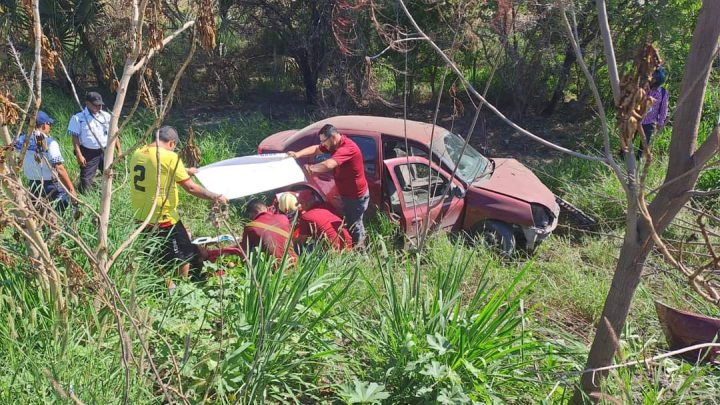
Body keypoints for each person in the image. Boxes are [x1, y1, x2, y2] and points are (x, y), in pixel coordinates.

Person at [129, 125, 228, 280]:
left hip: (141, 215)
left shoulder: (138, 153)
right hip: (163, 217)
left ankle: (164, 284)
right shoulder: (169, 157)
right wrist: (216, 197)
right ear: (172, 143)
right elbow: (191, 188)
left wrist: (184, 170)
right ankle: (181, 286)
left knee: (155, 254)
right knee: (184, 252)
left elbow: (155, 171)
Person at [287, 124, 369, 246]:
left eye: (324, 141)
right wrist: (297, 154)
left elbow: (329, 164)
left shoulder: (348, 148)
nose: (322, 144)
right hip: (346, 193)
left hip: (355, 196)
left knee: (355, 224)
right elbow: (316, 149)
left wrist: (311, 168)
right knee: (349, 219)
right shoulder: (333, 145)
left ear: (333, 137)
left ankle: (360, 250)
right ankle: (348, 240)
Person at [15, 111, 78, 212]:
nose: (50, 127)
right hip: (51, 184)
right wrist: (71, 189)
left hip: (33, 184)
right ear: (44, 125)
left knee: (39, 211)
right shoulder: (50, 143)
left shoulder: (21, 141)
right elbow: (59, 169)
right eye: (49, 124)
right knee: (63, 209)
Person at [68, 91, 121, 193]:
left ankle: (108, 193)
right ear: (87, 103)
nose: (99, 107)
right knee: (86, 178)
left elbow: (114, 134)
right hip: (89, 152)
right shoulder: (78, 118)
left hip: (106, 150)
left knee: (109, 173)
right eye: (96, 105)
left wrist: (119, 150)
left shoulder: (107, 116)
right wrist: (79, 155)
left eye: (100, 105)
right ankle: (85, 197)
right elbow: (75, 138)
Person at [277, 191, 352, 251]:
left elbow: (300, 242)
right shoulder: (325, 208)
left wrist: (287, 246)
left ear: (305, 203)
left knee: (301, 248)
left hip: (334, 251)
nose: (300, 206)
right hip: (349, 245)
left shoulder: (306, 216)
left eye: (301, 203)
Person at [241, 199, 297, 263]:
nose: (251, 218)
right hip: (292, 264)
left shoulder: (250, 226)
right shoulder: (283, 218)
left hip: (272, 268)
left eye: (250, 215)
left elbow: (244, 253)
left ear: (253, 212)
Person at [638, 66, 669, 159]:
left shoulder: (663, 93)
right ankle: (622, 157)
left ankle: (638, 160)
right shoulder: (643, 87)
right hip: (636, 118)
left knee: (644, 144)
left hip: (649, 122)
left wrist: (660, 123)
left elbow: (664, 109)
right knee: (628, 139)